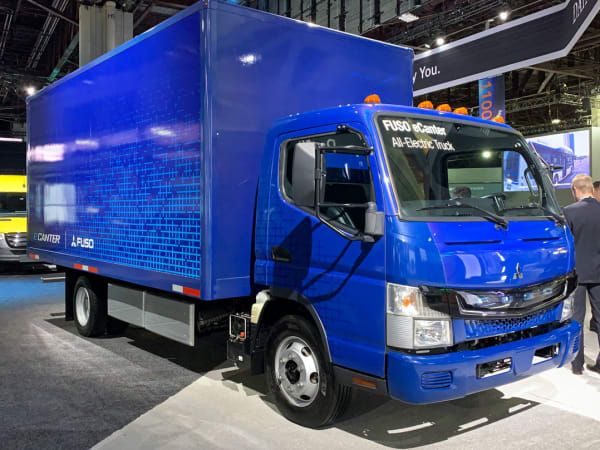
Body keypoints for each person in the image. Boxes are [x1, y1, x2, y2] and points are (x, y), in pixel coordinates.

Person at [563, 174, 600, 375]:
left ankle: (577, 365)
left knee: (576, 318)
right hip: (599, 272)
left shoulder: (569, 212)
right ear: (592, 190)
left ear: (575, 190)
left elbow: (567, 245)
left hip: (577, 273)